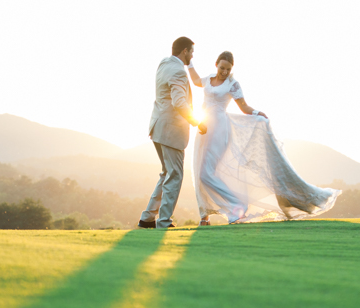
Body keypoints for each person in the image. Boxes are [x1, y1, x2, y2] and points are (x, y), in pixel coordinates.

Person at [188, 51, 341, 225]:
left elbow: (243, 106)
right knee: (200, 170)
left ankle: (236, 205)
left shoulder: (233, 84)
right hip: (203, 128)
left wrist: (257, 113)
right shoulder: (208, 79)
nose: (224, 72)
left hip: (220, 129)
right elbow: (195, 80)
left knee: (206, 173)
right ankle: (209, 214)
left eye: (228, 69)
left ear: (232, 69)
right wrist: (189, 62)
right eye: (222, 68)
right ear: (216, 65)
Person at [138, 37, 207, 229]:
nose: (192, 56)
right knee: (175, 175)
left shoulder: (164, 64)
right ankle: (164, 221)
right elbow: (179, 103)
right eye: (192, 52)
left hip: (157, 127)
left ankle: (147, 217)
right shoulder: (178, 71)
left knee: (167, 173)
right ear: (185, 51)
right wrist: (196, 121)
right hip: (170, 131)